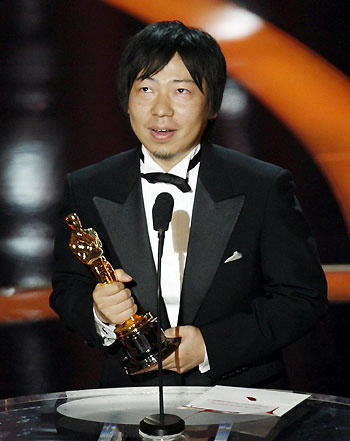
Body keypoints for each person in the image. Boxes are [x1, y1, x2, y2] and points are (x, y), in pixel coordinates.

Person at [50, 20, 327, 389]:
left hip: (240, 401)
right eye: (146, 89)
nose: (161, 110)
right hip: (130, 402)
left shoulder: (262, 186)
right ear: (126, 100)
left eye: (181, 90)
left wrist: (211, 346)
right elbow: (68, 288)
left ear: (211, 103)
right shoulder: (87, 186)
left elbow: (302, 298)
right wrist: (99, 313)